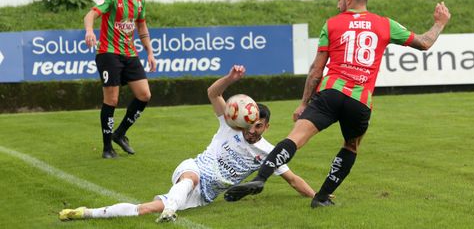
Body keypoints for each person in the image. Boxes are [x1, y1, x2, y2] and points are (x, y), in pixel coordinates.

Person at [224, 0, 451, 207]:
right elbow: (424, 42)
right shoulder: (385, 24)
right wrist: (440, 23)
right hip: (360, 101)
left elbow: (316, 69)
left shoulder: (332, 24)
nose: (337, 3)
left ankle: (261, 178)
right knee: (351, 146)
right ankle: (321, 198)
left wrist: (304, 103)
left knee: (296, 138)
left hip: (330, 93)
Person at [59, 65, 315, 222]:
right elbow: (213, 93)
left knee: (144, 209)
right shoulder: (230, 126)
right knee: (191, 177)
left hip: (203, 197)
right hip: (192, 169)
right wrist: (230, 79)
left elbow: (293, 180)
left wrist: (319, 196)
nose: (252, 129)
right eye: (250, 124)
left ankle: (86, 213)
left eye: (258, 125)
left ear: (266, 126)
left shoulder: (270, 152)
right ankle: (170, 211)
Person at [84, 0, 157, 158]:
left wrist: (150, 52)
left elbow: (141, 27)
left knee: (144, 95)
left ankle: (120, 134)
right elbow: (91, 14)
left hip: (130, 53)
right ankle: (107, 147)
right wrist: (90, 30)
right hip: (108, 53)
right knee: (112, 99)